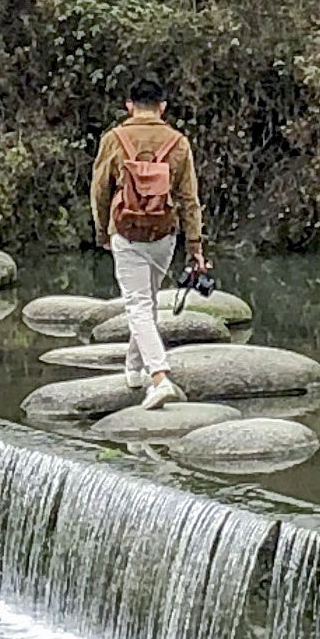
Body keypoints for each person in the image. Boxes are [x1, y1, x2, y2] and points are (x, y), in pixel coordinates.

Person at [87, 79, 207, 410]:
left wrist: (101, 231)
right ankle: (134, 369)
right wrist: (194, 245)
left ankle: (159, 377)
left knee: (139, 305)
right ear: (162, 107)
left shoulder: (114, 139)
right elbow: (189, 199)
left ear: (129, 105)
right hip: (163, 234)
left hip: (125, 232)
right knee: (147, 302)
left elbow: (99, 191)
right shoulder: (179, 143)